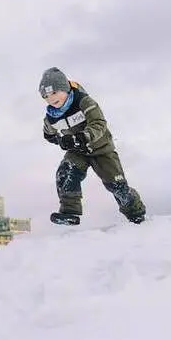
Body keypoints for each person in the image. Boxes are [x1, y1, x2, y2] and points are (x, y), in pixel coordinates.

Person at [38, 67, 146, 225]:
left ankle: (135, 212)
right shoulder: (51, 116)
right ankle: (70, 211)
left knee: (117, 186)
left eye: (54, 92)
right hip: (78, 151)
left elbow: (98, 123)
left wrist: (83, 136)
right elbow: (49, 133)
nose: (50, 98)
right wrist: (60, 140)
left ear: (65, 89)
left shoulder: (84, 102)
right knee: (66, 172)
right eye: (46, 96)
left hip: (101, 149)